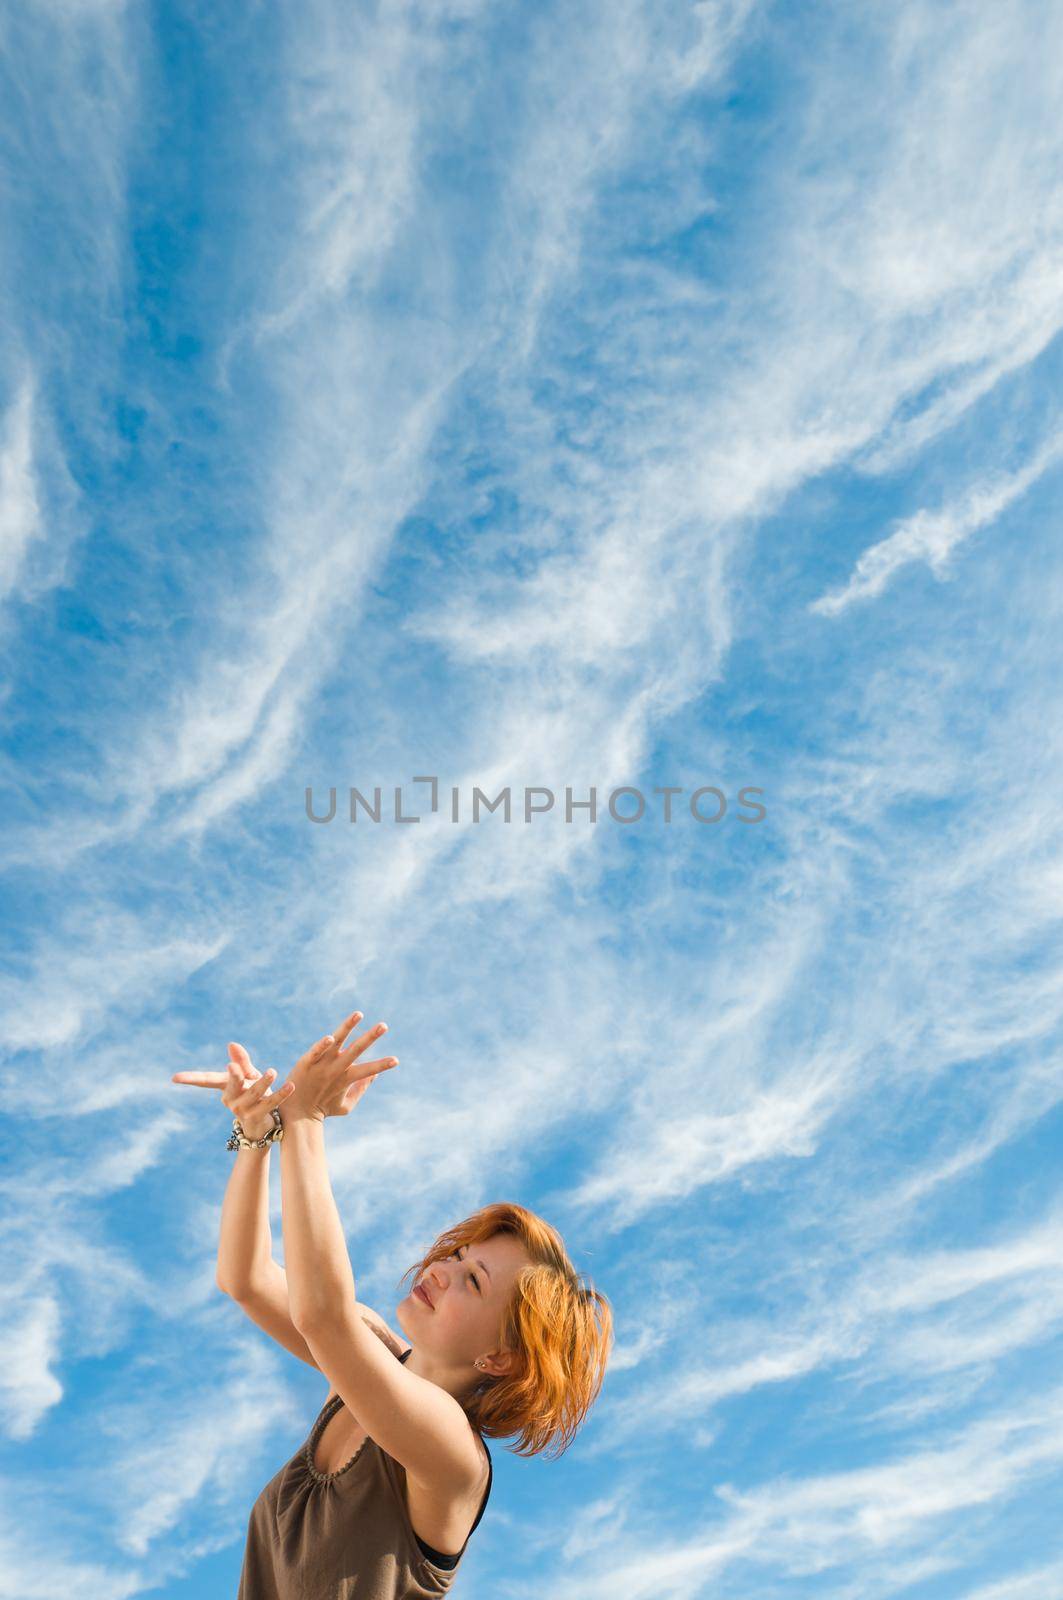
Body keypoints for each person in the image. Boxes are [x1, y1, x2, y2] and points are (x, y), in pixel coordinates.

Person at [173, 1008, 614, 1597]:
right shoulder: (371, 1352)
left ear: (502, 1358)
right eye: (456, 1256)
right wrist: (257, 1133)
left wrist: (304, 1118)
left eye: (474, 1281)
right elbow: (245, 1278)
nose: (442, 1270)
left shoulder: (453, 1456)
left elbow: (324, 1317)